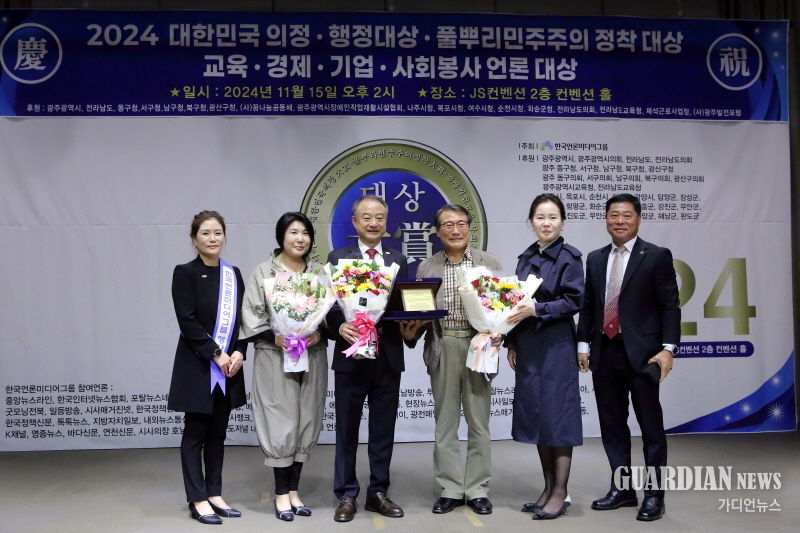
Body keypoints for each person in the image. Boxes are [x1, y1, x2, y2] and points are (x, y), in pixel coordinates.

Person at [577, 193, 680, 522]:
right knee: (612, 426)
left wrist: (668, 349)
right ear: (605, 219)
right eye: (613, 215)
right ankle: (622, 489)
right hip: (604, 353)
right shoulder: (595, 258)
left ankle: (654, 495)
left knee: (651, 427)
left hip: (644, 355)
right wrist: (582, 345)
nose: (619, 221)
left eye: (626, 215)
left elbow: (669, 306)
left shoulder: (656, 256)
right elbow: (589, 306)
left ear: (638, 219)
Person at [406, 204, 502, 516]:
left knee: (478, 421)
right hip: (443, 344)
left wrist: (502, 333)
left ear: (469, 228)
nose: (455, 230)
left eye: (461, 223)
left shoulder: (488, 263)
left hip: (478, 347)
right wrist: (409, 330)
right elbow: (417, 319)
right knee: (444, 422)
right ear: (437, 231)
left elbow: (504, 307)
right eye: (448, 225)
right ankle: (450, 487)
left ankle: (477, 488)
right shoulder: (427, 267)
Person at [326, 195, 417, 522]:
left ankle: (378, 492)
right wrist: (341, 327)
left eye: (379, 217)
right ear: (355, 222)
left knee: (383, 429)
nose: (373, 223)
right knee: (346, 430)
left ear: (386, 222)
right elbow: (329, 307)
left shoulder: (399, 260)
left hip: (387, 356)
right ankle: (346, 494)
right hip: (350, 357)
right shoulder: (337, 259)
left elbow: (406, 308)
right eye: (367, 217)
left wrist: (412, 330)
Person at [240, 212, 327, 522]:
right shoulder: (263, 272)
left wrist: (317, 332)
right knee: (281, 420)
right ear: (281, 237)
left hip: (312, 354)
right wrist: (277, 338)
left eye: (305, 233)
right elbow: (251, 317)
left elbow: (332, 315)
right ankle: (280, 494)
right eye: (293, 232)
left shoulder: (320, 273)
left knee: (307, 417)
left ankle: (294, 492)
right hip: (274, 356)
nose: (299, 239)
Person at [504, 194, 584, 520]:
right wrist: (512, 342)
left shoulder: (570, 258)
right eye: (540, 217)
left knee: (558, 419)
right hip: (530, 345)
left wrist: (539, 308)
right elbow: (514, 302)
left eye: (552, 217)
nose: (546, 223)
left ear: (562, 221)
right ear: (531, 221)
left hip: (556, 346)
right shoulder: (525, 258)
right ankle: (548, 488)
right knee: (538, 417)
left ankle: (561, 492)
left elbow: (574, 301)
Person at [168, 210, 246, 525]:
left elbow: (241, 321)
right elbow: (187, 321)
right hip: (199, 366)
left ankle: (215, 493)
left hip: (229, 369)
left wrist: (239, 352)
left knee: (218, 434)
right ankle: (197, 498)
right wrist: (216, 353)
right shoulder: (184, 273)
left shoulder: (233, 274)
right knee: (195, 434)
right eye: (205, 233)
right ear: (194, 238)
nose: (212, 239)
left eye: (217, 233)